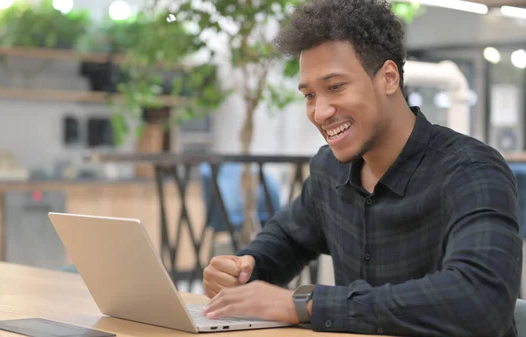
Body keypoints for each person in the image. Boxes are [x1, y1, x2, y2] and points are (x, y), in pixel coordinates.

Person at [201, 0, 523, 336]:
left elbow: (480, 300)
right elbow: (287, 237)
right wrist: (244, 267)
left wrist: (306, 305)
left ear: (388, 78)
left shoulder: (471, 170)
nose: (319, 112)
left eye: (335, 87)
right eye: (309, 95)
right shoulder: (330, 169)